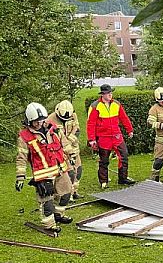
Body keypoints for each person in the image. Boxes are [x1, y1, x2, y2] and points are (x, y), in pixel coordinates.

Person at [15, 102, 73, 231]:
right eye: (36, 121)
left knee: (66, 193)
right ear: (29, 121)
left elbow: (64, 143)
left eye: (41, 120)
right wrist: (20, 176)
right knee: (46, 201)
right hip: (43, 174)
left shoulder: (53, 129)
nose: (39, 123)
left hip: (60, 169)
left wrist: (72, 155)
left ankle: (58, 215)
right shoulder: (24, 137)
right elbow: (21, 157)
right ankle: (49, 225)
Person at [86, 84, 135, 188]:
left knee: (124, 156)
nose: (110, 95)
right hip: (104, 137)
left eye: (111, 93)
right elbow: (91, 124)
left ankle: (123, 178)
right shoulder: (95, 106)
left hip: (116, 135)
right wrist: (92, 139)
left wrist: (129, 130)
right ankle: (103, 182)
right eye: (108, 93)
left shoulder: (116, 104)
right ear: (103, 94)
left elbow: (124, 118)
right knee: (104, 160)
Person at [47, 99, 83, 200]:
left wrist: (68, 142)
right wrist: (62, 146)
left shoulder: (73, 115)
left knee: (78, 171)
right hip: (60, 152)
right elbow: (49, 137)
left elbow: (77, 130)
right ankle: (65, 195)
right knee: (68, 174)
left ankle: (74, 192)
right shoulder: (50, 119)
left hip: (73, 149)